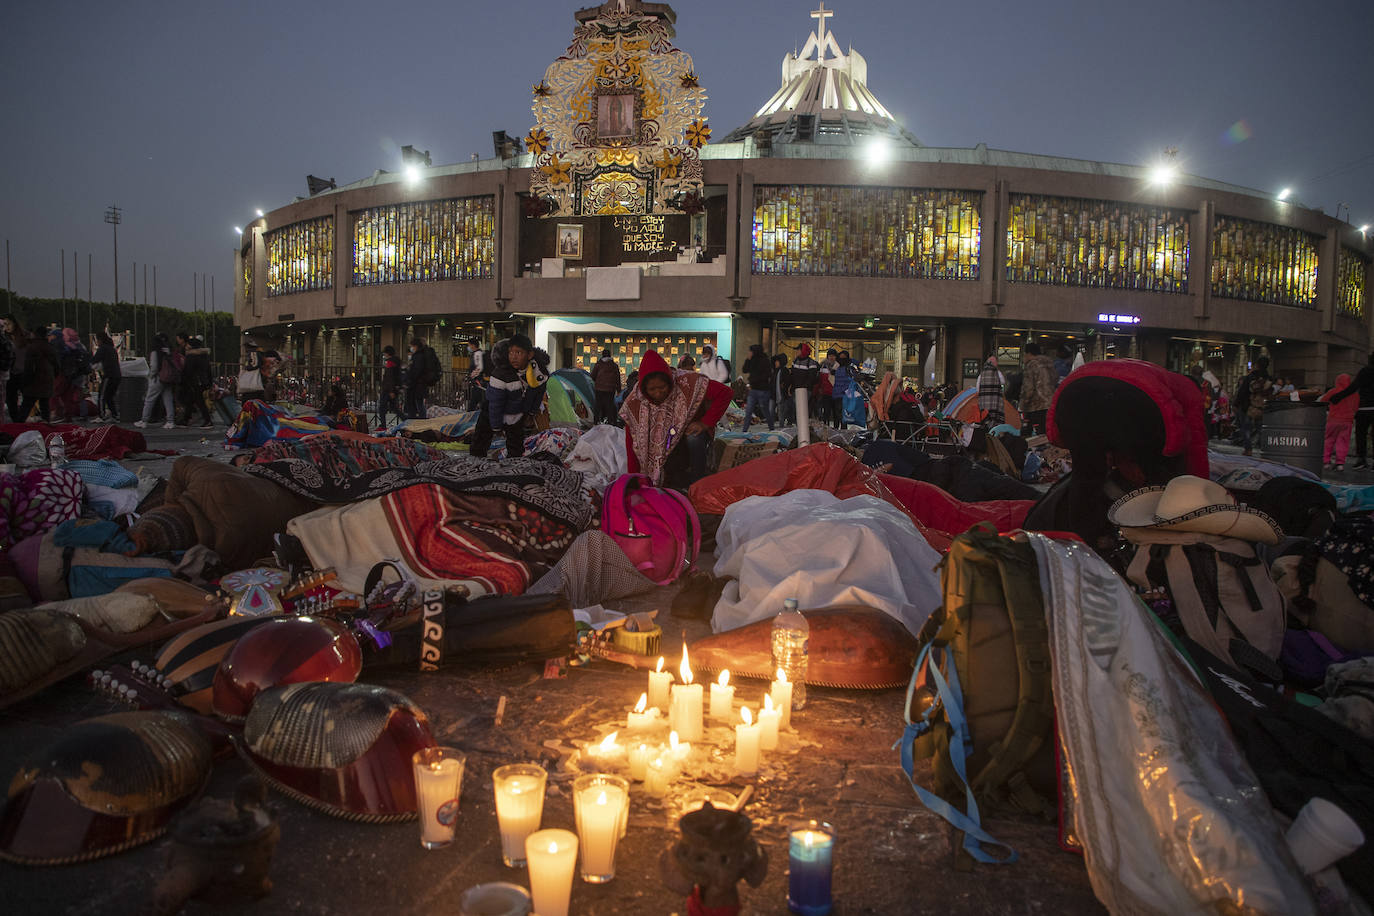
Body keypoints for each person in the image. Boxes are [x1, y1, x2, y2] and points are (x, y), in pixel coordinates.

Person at [619, 349, 732, 489]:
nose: (658, 393)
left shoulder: (688, 382)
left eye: (662, 387)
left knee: (694, 438)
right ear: (643, 388)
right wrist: (634, 478)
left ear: (669, 381)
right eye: (652, 390)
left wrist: (705, 423)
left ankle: (698, 482)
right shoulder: (635, 402)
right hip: (667, 442)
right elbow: (633, 441)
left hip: (688, 435)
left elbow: (725, 393)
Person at [469, 334, 548, 460]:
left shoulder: (538, 373)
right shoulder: (501, 374)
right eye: (511, 352)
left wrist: (531, 413)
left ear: (530, 355)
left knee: (516, 446)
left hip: (516, 413)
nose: (513, 357)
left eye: (518, 352)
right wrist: (496, 427)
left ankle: (513, 467)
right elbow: (495, 403)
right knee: (481, 439)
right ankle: (474, 463)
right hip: (492, 411)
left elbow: (537, 394)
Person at [1329, 353, 1374, 469]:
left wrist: (1337, 397)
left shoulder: (1365, 371)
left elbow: (1354, 387)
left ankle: (1362, 459)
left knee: (1361, 434)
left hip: (1364, 408)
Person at [135, 333, 178, 429]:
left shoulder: (155, 351)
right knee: (168, 399)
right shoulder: (169, 350)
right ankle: (170, 421)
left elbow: (154, 366)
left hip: (158, 378)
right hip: (169, 378)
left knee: (149, 399)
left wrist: (151, 376)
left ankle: (144, 420)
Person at [18, 326, 58, 423]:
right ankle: (46, 428)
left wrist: (24, 382)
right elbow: (57, 366)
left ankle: (17, 429)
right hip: (47, 381)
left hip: (34, 383)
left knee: (26, 407)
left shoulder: (32, 347)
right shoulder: (50, 347)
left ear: (35, 334)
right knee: (45, 407)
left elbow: (29, 368)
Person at [1319, 372, 1358, 471]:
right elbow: (1356, 407)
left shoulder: (1333, 391)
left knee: (1328, 440)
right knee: (1343, 442)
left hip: (1333, 420)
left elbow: (1323, 401)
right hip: (1347, 422)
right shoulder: (1354, 394)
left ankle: (1326, 462)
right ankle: (1340, 463)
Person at [1234, 357, 1272, 456]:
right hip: (1262, 407)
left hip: (1248, 406)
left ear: (1257, 365)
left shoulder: (1251, 376)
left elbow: (1243, 391)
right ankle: (1266, 448)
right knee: (1260, 429)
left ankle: (1248, 449)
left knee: (1246, 429)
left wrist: (1236, 404)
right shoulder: (1269, 378)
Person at [1018, 342, 1057, 435]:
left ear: (1029, 353)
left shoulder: (1032, 365)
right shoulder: (1049, 365)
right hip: (1049, 404)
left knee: (1032, 434)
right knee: (1045, 433)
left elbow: (1028, 388)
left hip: (1035, 406)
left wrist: (1022, 405)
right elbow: (1055, 380)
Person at [176, 334, 213, 428]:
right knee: (191, 400)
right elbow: (208, 370)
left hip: (194, 381)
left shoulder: (191, 356)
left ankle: (207, 420)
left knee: (199, 401)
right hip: (202, 381)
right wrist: (209, 382)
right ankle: (186, 419)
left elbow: (188, 371)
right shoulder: (204, 356)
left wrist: (183, 381)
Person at [405, 336, 441, 419]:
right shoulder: (423, 354)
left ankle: (419, 421)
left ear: (415, 346)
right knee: (418, 403)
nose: (411, 348)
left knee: (416, 404)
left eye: (411, 346)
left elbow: (417, 370)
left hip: (417, 384)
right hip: (421, 383)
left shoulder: (418, 356)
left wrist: (410, 380)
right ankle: (420, 420)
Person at [741, 344, 775, 432]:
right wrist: (748, 359)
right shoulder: (752, 360)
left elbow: (767, 374)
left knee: (765, 410)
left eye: (751, 351)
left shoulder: (765, 361)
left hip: (763, 390)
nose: (749, 353)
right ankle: (744, 430)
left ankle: (771, 428)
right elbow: (745, 369)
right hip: (754, 390)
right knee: (749, 411)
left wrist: (755, 380)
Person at [92, 331, 121, 423]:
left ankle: (101, 415)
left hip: (109, 375)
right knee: (110, 396)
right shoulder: (112, 349)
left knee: (102, 396)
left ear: (100, 340)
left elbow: (95, 360)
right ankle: (115, 415)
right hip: (117, 375)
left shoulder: (103, 349)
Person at [590, 347, 622, 425]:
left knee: (598, 404)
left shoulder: (598, 364)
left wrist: (597, 382)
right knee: (610, 404)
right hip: (610, 389)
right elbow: (617, 378)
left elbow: (593, 375)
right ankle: (611, 421)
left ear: (602, 355)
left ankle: (596, 421)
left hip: (599, 388)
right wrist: (618, 390)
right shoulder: (614, 366)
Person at [4, 316, 26, 422]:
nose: (6, 327)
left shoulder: (24, 337)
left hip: (23, 372)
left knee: (27, 398)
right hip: (10, 372)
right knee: (11, 399)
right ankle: (16, 420)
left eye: (8, 324)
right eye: (4, 325)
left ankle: (20, 418)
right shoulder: (4, 338)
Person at [790, 343, 819, 423]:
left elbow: (811, 378)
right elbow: (792, 375)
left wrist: (804, 388)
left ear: (803, 351)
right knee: (796, 408)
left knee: (802, 408)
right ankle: (798, 424)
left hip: (805, 390)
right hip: (796, 389)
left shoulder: (811, 363)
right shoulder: (795, 361)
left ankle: (803, 425)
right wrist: (791, 387)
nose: (797, 352)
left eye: (798, 350)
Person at [377, 345, 402, 429]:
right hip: (393, 388)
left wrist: (391, 390)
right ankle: (406, 419)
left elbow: (389, 376)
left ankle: (383, 425)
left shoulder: (390, 362)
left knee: (382, 408)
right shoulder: (397, 361)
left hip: (388, 389)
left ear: (387, 353)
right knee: (394, 408)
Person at [977, 354, 1005, 426]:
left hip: (984, 404)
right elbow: (1003, 382)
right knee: (995, 422)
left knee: (985, 421)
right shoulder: (997, 373)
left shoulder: (981, 374)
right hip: (995, 403)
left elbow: (977, 388)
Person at [831, 350, 855, 429]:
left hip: (842, 394)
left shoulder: (847, 368)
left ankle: (840, 430)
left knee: (840, 414)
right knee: (838, 414)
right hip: (839, 394)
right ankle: (840, 429)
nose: (842, 359)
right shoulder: (840, 367)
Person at [771, 353, 793, 427]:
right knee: (771, 410)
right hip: (773, 394)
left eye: (777, 361)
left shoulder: (784, 371)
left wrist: (783, 386)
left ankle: (781, 425)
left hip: (781, 394)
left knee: (781, 411)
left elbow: (788, 381)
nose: (775, 363)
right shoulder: (774, 371)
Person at [465, 339, 486, 411]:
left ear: (473, 345)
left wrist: (471, 376)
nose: (468, 347)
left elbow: (479, 368)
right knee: (477, 401)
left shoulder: (477, 354)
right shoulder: (478, 353)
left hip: (477, 381)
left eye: (469, 345)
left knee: (474, 402)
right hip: (478, 381)